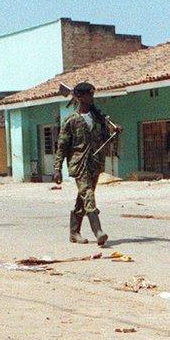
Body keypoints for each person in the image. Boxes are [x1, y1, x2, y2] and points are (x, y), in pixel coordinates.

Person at [53, 82, 122, 246]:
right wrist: (57, 168)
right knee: (88, 196)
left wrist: (115, 132)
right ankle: (98, 231)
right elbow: (61, 146)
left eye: (92, 95)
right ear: (79, 97)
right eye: (88, 95)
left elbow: (104, 140)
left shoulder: (98, 119)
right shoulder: (71, 121)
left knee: (83, 198)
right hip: (79, 165)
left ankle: (74, 232)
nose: (91, 98)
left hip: (95, 163)